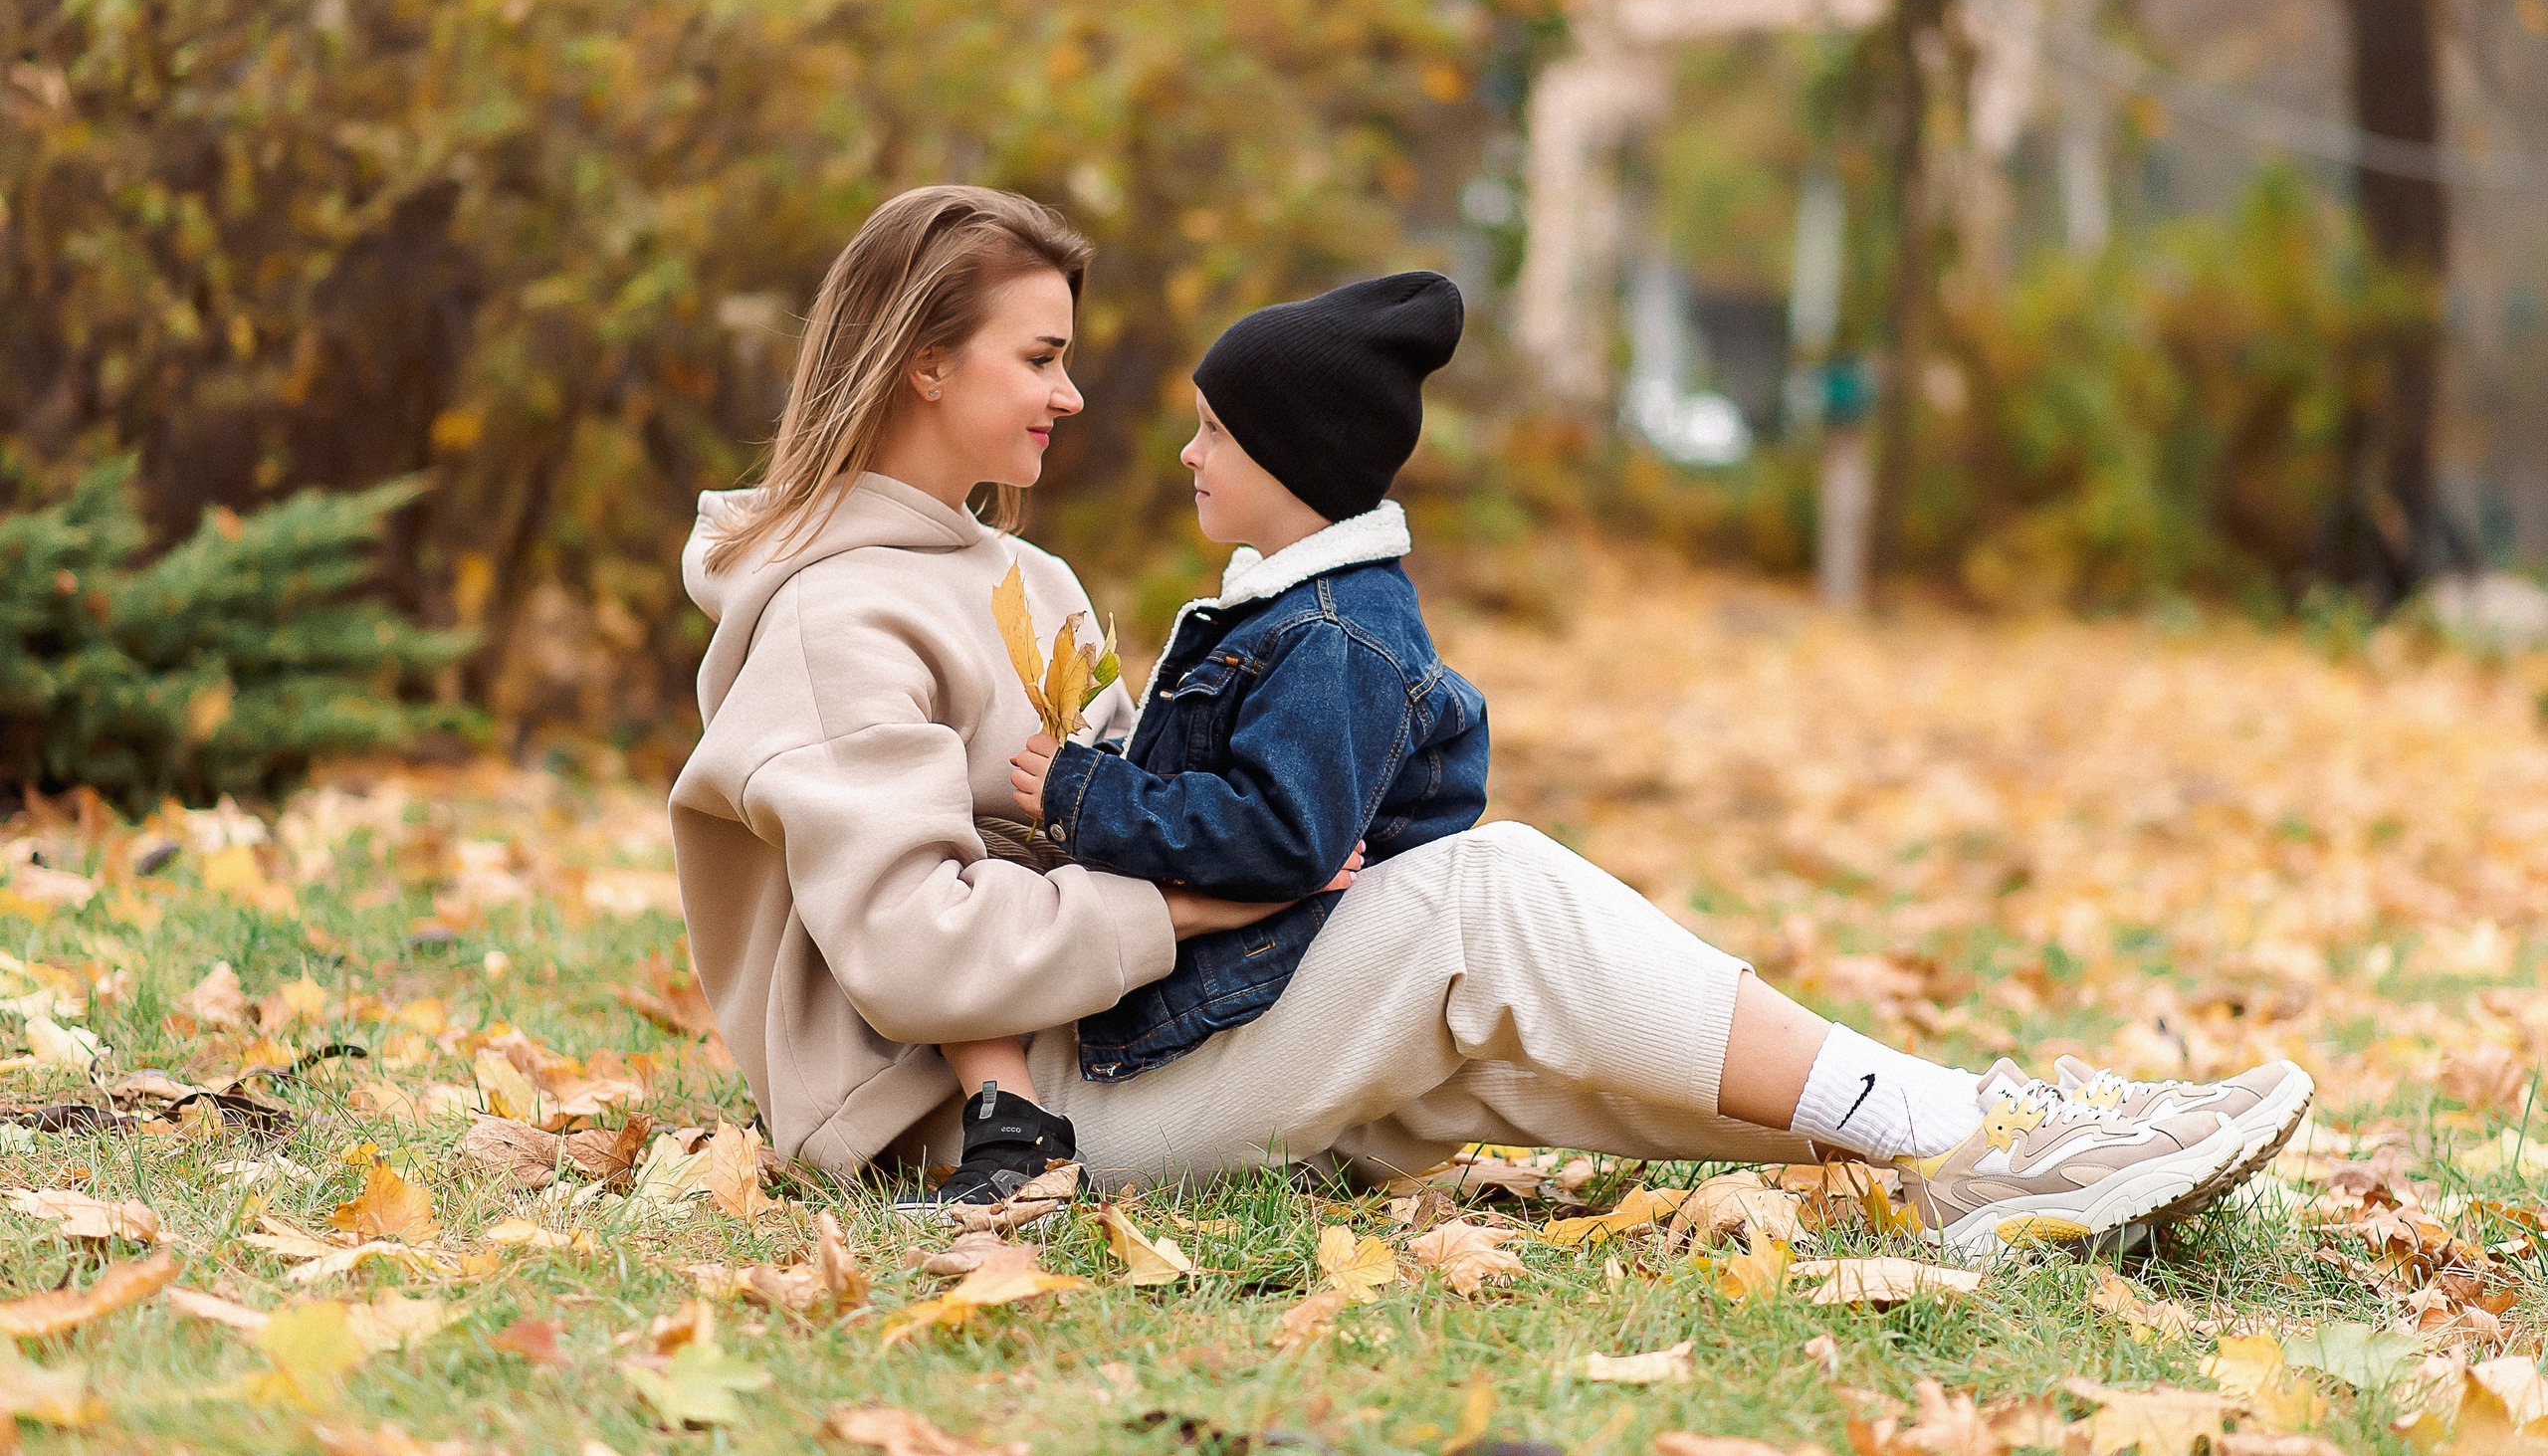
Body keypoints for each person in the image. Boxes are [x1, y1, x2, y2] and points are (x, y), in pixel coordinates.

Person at [668, 184, 2313, 1260]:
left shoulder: (1016, 576)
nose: (1074, 394)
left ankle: (1979, 1148)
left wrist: (1252, 869)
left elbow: (1122, 796)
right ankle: (1979, 1137)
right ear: (916, 365)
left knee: (1502, 1031)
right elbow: (910, 944)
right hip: (985, 1127)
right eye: (1039, 356)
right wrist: (1198, 890)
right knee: (1498, 906)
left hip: (1114, 1038)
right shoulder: (831, 612)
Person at [924, 271, 1488, 1206]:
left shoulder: (1334, 638)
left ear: (1295, 458)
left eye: (1216, 433)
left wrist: (1086, 795)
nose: (1190, 454)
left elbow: (1279, 834)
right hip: (1266, 965)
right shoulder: (1291, 613)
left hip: (1277, 979)